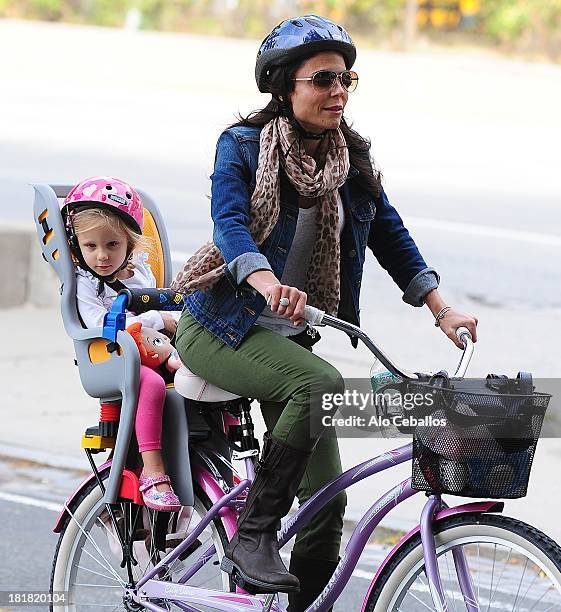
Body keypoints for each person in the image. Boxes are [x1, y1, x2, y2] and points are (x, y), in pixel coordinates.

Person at [173, 14, 478, 609]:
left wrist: (440, 307)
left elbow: (390, 235)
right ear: (285, 87)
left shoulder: (351, 160)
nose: (338, 90)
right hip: (218, 327)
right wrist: (260, 277)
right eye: (323, 79)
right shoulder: (241, 147)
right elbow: (230, 223)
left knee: (327, 503)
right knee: (321, 384)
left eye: (346, 79)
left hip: (287, 342)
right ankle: (254, 535)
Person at [62, 176, 181, 512]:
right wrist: (155, 324)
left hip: (150, 350)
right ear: (77, 245)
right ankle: (154, 472)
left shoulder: (138, 274)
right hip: (109, 357)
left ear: (130, 244)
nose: (101, 256)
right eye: (91, 246)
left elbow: (159, 304)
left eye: (112, 245)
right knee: (153, 386)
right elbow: (99, 322)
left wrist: (168, 322)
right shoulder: (84, 283)